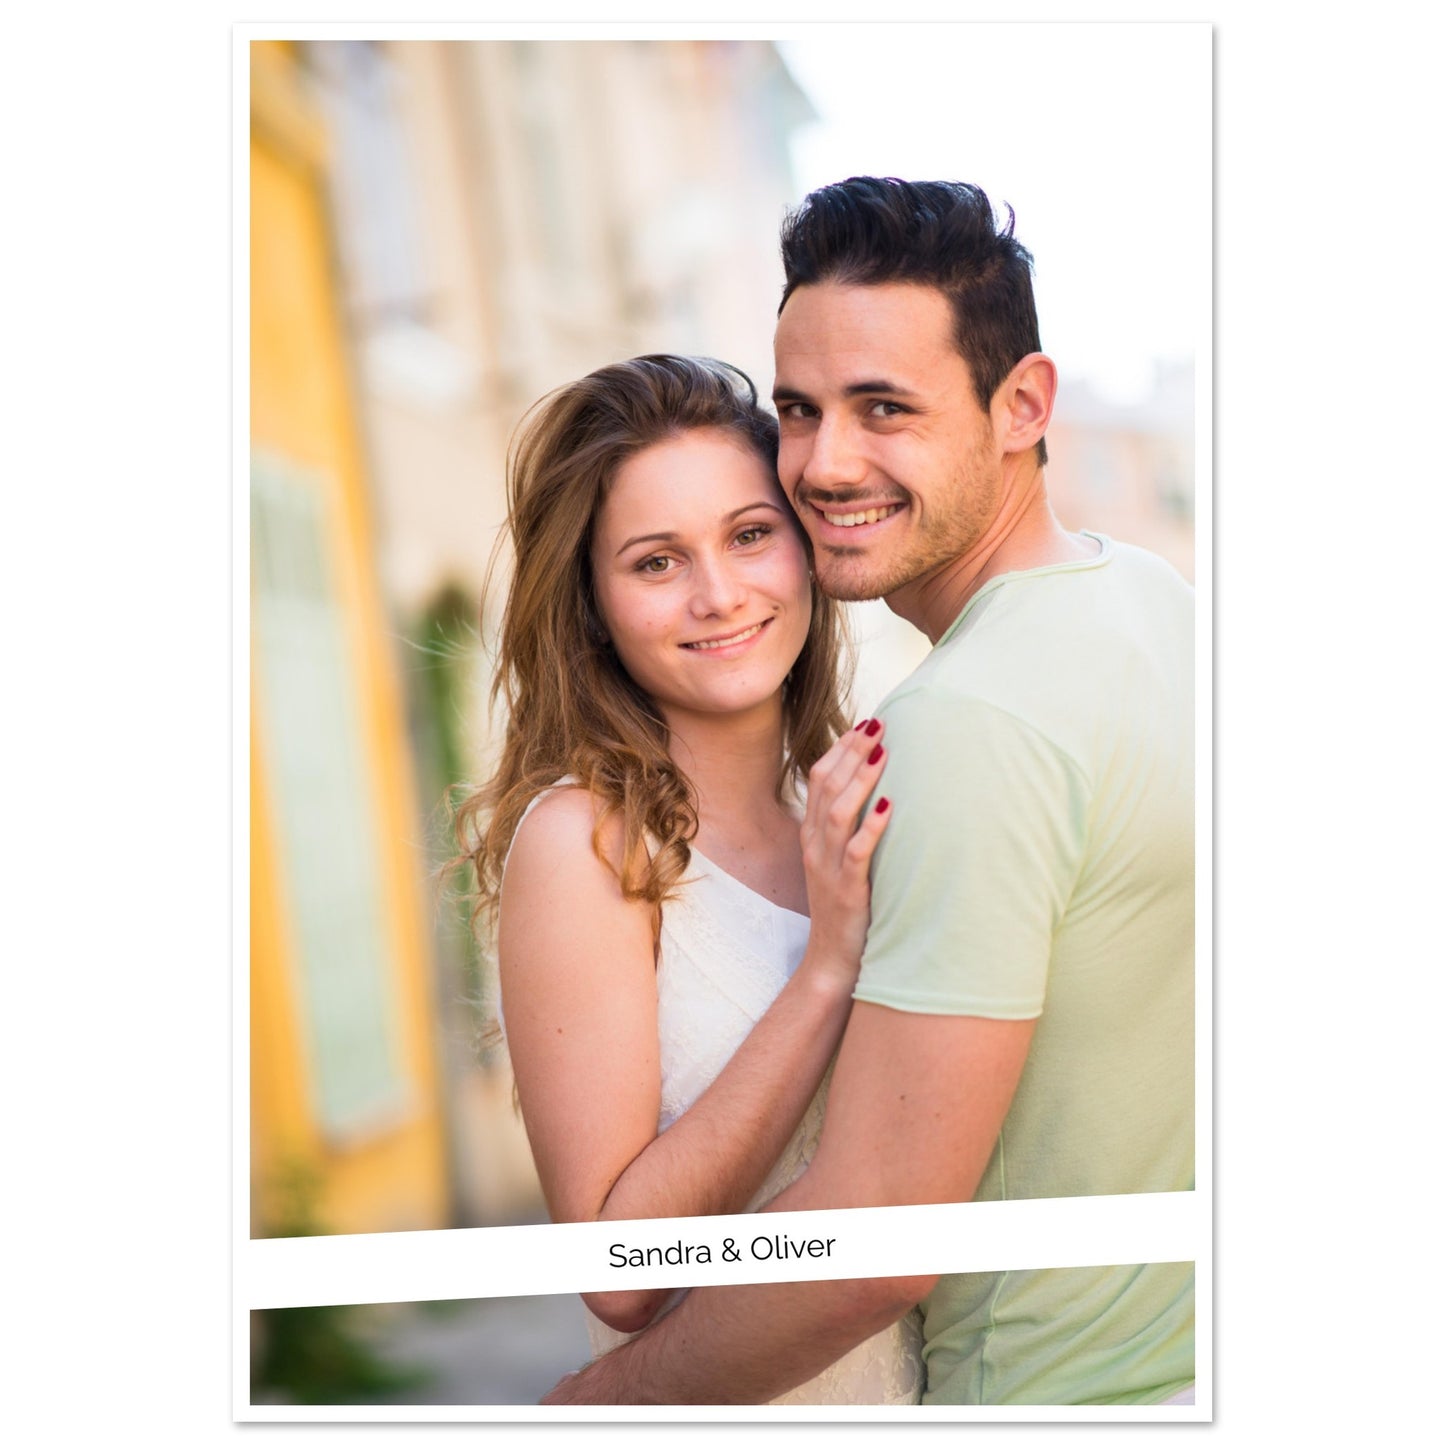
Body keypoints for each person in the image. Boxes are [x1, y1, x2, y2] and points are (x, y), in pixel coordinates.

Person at [543, 177, 1195, 1406]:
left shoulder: (965, 722)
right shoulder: (1155, 602)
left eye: (883, 407)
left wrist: (595, 1405)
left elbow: (878, 1234)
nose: (826, 464)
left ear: (1023, 404)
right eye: (799, 410)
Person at [455, 353, 926, 1404]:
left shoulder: (839, 806)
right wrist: (825, 971)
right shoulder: (585, 842)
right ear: (591, 604)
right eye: (656, 561)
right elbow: (618, 1274)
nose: (719, 595)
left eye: (749, 534)